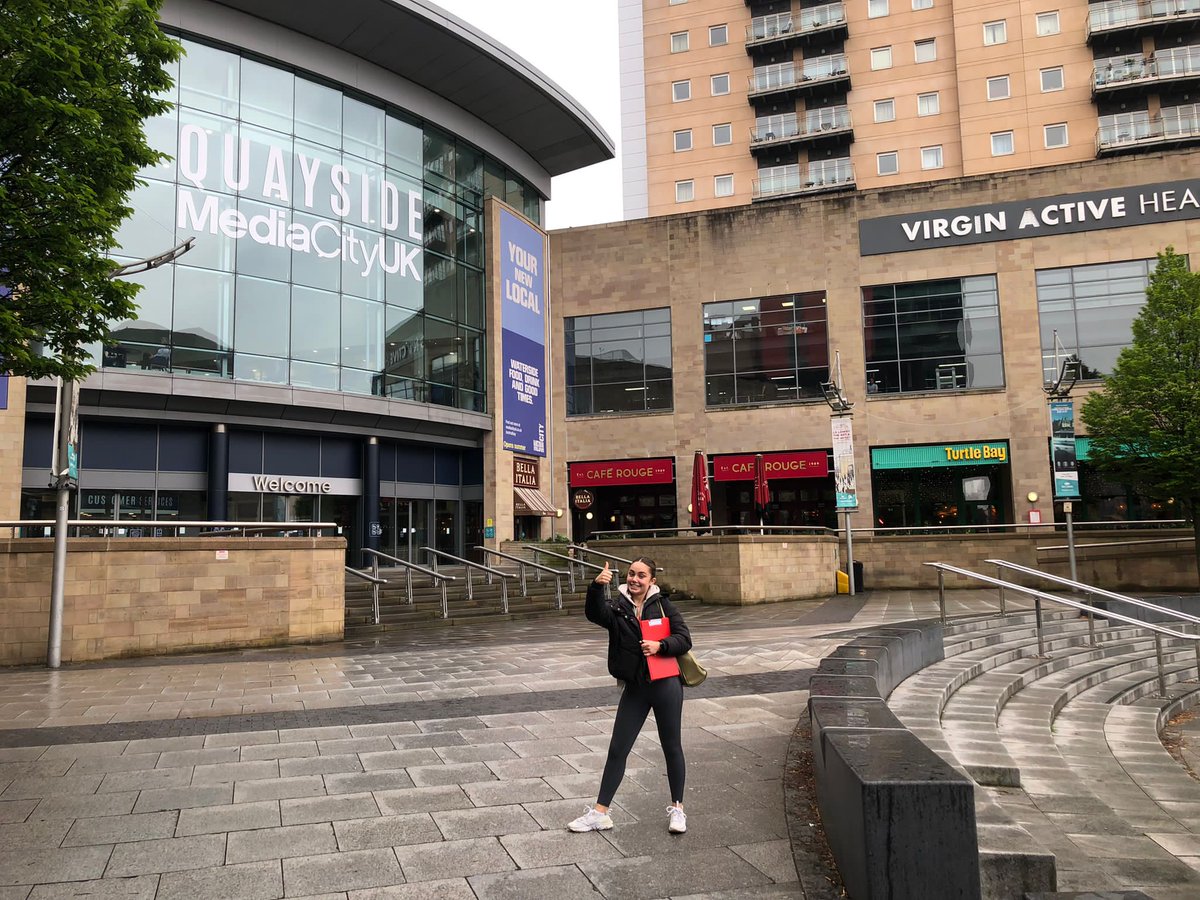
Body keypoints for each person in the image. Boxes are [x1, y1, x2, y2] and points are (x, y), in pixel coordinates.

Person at [567, 557, 692, 835]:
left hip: (665, 685)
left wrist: (660, 645)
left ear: (652, 581)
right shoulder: (617, 607)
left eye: (641, 575)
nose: (634, 579)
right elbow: (595, 614)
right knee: (617, 749)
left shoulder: (663, 605)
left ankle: (678, 810)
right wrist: (596, 588)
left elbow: (685, 638)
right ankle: (600, 813)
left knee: (672, 747)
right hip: (635, 688)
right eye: (631, 574)